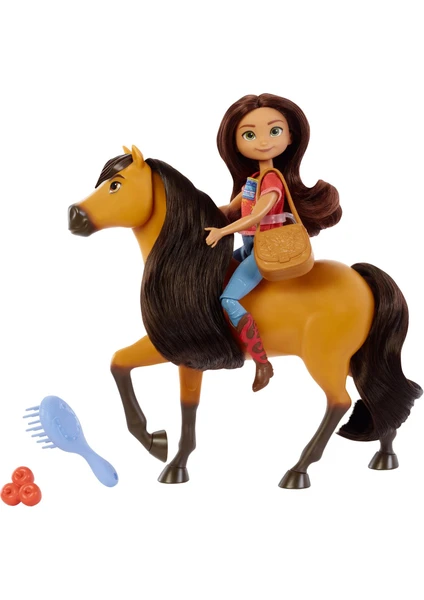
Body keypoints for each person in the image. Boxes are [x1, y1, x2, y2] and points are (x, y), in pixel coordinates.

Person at [205, 94, 341, 392]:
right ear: (235, 142)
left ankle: (262, 362)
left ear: (290, 137)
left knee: (228, 299)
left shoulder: (272, 180)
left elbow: (257, 215)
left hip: (265, 250)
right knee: (212, 273)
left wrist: (223, 232)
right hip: (249, 247)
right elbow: (229, 209)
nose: (263, 141)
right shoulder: (253, 179)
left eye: (274, 131)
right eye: (250, 135)